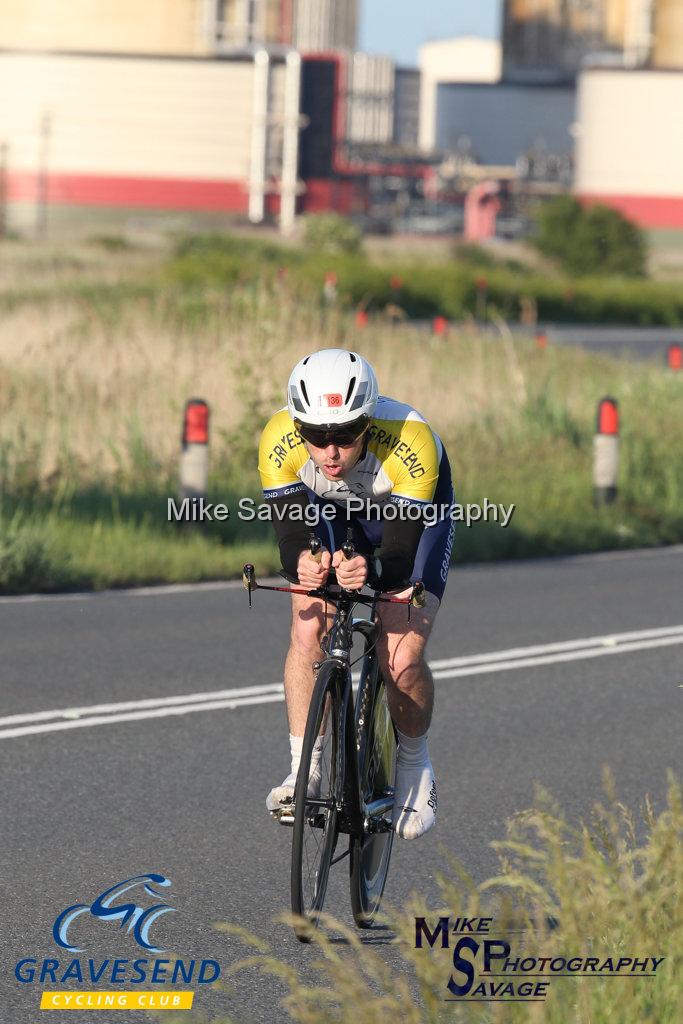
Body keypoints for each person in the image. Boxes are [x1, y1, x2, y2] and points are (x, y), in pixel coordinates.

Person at [258, 348, 454, 840]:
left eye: (345, 435)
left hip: (405, 517)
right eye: (316, 436)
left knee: (401, 652)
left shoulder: (411, 439)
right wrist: (302, 560)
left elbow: (399, 557)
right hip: (331, 513)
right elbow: (288, 538)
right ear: (297, 426)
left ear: (367, 421)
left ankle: (415, 771)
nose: (330, 452)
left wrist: (373, 567)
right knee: (308, 628)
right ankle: (306, 769)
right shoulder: (277, 440)